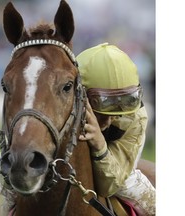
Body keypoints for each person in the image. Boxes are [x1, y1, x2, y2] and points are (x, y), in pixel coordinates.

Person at [76, 43, 155, 215]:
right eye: (105, 105)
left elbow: (109, 186)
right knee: (8, 181)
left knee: (152, 201)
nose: (111, 118)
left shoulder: (136, 116)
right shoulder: (67, 105)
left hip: (118, 164)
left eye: (123, 103)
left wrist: (99, 143)